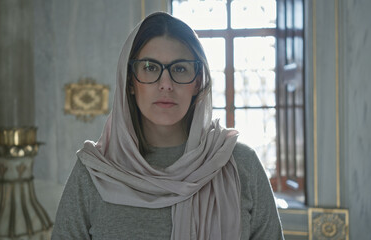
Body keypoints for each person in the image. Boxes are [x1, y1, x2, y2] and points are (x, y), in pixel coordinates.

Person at [52, 12, 284, 240]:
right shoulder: (94, 170)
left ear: (198, 82)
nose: (166, 84)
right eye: (151, 68)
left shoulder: (240, 163)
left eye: (180, 69)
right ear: (130, 81)